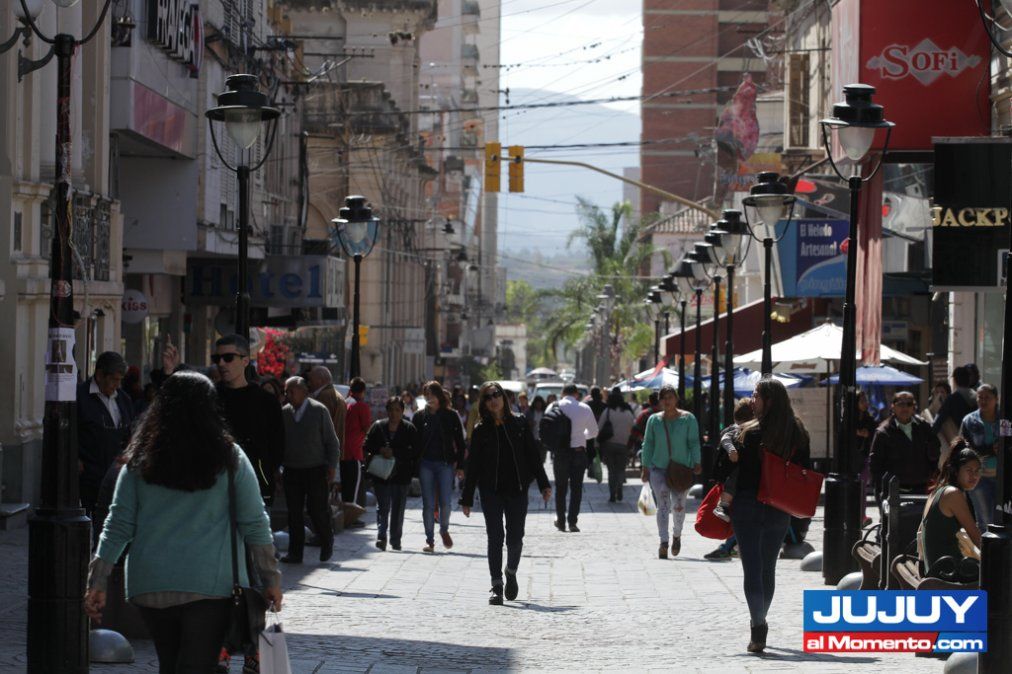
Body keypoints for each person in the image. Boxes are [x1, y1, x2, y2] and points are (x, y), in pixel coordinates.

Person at [84, 372, 282, 673]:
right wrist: (271, 579)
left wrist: (97, 580)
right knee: (196, 665)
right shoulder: (229, 457)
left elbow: (118, 524)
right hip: (211, 585)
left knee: (171, 663)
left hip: (150, 582)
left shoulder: (140, 458)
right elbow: (255, 523)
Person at [731, 378, 810, 654]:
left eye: (756, 396)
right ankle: (760, 620)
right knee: (768, 567)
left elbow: (735, 471)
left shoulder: (749, 432)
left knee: (752, 568)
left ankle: (758, 624)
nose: (752, 400)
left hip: (747, 504)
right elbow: (804, 468)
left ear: (769, 400)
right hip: (780, 506)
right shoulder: (797, 432)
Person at [461, 382, 552, 605]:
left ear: (504, 397)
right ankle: (496, 585)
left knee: (515, 537)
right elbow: (473, 466)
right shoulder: (481, 430)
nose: (493, 400)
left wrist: (543, 484)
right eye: (488, 397)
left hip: (517, 489)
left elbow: (533, 455)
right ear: (483, 403)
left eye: (496, 395)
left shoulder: (519, 423)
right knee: (495, 536)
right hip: (490, 490)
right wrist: (467, 497)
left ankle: (510, 571)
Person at [280, 376, 340, 564]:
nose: (288, 395)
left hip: (315, 469)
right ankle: (295, 552)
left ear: (303, 391)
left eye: (292, 391)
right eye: (286, 392)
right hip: (291, 470)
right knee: (294, 513)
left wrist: (332, 467)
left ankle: (326, 539)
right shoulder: (285, 413)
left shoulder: (319, 410)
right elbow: (279, 443)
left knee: (317, 510)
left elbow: (332, 442)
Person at [639, 385, 701, 558]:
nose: (667, 401)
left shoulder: (688, 419)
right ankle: (664, 542)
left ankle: (677, 535)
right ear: (660, 401)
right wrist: (645, 467)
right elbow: (648, 444)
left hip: (681, 470)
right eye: (664, 398)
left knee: (679, 506)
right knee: (663, 505)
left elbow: (694, 442)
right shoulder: (654, 420)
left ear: (676, 399)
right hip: (658, 469)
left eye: (670, 397)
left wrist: (697, 461)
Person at [78, 351, 135, 515]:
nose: (117, 385)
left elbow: (130, 431)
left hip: (115, 473)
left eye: (120, 380)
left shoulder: (123, 399)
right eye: (114, 380)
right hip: (89, 474)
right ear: (100, 375)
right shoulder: (80, 397)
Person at [413, 380, 467, 552]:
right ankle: (429, 540)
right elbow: (413, 442)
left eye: (432, 394)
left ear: (439, 396)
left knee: (445, 502)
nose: (429, 398)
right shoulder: (419, 417)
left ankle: (444, 529)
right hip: (426, 464)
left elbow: (460, 443)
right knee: (428, 504)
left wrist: (460, 465)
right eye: (426, 395)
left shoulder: (451, 416)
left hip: (445, 464)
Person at [364, 397, 420, 551]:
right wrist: (380, 450)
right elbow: (367, 444)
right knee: (383, 507)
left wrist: (395, 453)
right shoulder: (378, 426)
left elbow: (415, 451)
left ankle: (395, 540)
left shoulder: (409, 429)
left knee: (398, 509)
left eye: (397, 410)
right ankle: (381, 536)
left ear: (402, 411)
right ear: (387, 411)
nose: (394, 413)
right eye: (391, 410)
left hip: (401, 475)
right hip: (381, 475)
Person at [919, 445, 982, 576]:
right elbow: (976, 536)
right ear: (956, 471)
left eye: (977, 471)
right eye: (969, 470)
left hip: (936, 568)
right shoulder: (953, 494)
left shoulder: (938, 490)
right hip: (947, 572)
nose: (974, 476)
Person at [869, 391, 941, 502]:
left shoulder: (924, 427)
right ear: (893, 406)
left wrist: (930, 473)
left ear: (914, 407)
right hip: (893, 492)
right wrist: (881, 491)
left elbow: (935, 451)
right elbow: (875, 465)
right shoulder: (883, 432)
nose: (905, 408)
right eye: (901, 404)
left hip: (920, 489)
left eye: (909, 404)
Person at [553, 383, 599, 532]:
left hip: (561, 453)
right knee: (576, 488)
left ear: (562, 393)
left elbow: (546, 427)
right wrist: (581, 436)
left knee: (560, 488)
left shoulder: (554, 406)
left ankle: (560, 521)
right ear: (577, 394)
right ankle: (572, 522)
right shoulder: (585, 408)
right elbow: (594, 431)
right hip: (579, 452)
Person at [960, 383, 999, 529]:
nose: (983, 401)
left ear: (996, 399)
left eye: (987, 397)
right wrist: (990, 450)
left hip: (1004, 478)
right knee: (985, 520)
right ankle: (984, 545)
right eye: (980, 397)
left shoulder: (1005, 419)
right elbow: (965, 450)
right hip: (978, 478)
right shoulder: (969, 421)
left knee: (1004, 519)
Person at [712, 397, 755, 523]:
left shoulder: (738, 427)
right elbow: (726, 438)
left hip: (734, 472)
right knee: (733, 479)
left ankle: (723, 506)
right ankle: (722, 505)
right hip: (734, 470)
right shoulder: (737, 429)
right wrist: (731, 450)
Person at [599, 388, 636, 502]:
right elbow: (633, 428)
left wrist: (596, 444)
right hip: (624, 445)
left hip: (609, 445)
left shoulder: (608, 411)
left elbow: (599, 427)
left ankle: (612, 494)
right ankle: (619, 488)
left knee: (611, 471)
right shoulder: (628, 413)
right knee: (620, 470)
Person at [343, 377, 372, 510]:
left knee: (345, 486)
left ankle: (345, 514)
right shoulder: (361, 406)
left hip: (342, 451)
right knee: (353, 490)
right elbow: (367, 428)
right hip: (354, 452)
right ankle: (351, 515)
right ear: (363, 391)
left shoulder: (345, 403)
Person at [932, 366, 977, 446]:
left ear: (954, 381)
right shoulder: (978, 397)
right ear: (969, 379)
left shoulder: (952, 399)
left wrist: (929, 438)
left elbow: (938, 421)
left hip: (960, 442)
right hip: (979, 441)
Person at [308, 366, 348, 452]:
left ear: (320, 380)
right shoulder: (338, 395)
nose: (309, 383)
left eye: (311, 380)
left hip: (325, 452)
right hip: (335, 450)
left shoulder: (324, 396)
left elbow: (318, 428)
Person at [526, 395, 548, 465]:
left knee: (542, 459)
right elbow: (525, 423)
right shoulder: (530, 412)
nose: (538, 405)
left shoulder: (546, 412)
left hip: (543, 439)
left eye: (540, 403)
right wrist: (530, 423)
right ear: (534, 404)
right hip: (533, 438)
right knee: (533, 457)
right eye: (537, 403)